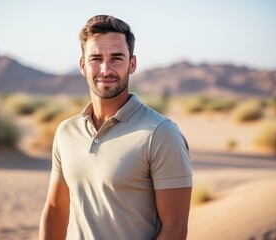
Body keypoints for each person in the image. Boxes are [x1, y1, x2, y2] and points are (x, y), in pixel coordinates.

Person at [39, 15, 193, 240]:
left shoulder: (160, 133)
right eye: (96, 58)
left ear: (132, 64)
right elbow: (55, 210)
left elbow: (175, 229)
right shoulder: (66, 132)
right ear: (82, 65)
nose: (105, 69)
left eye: (116, 58)